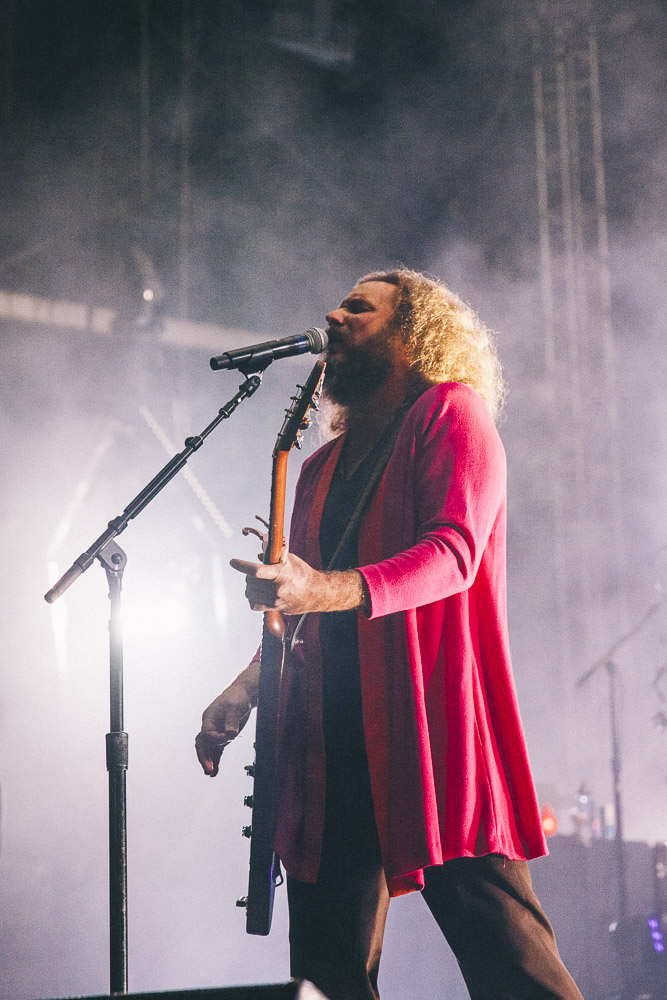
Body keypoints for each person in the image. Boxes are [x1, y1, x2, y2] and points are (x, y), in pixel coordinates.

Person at [196, 269, 583, 1000]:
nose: (334, 316)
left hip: (427, 730)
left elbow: (453, 555)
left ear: (412, 334)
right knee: (326, 974)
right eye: (336, 306)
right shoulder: (315, 467)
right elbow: (302, 607)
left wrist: (318, 587)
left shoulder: (451, 414)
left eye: (357, 308)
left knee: (511, 966)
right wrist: (247, 686)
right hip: (325, 743)